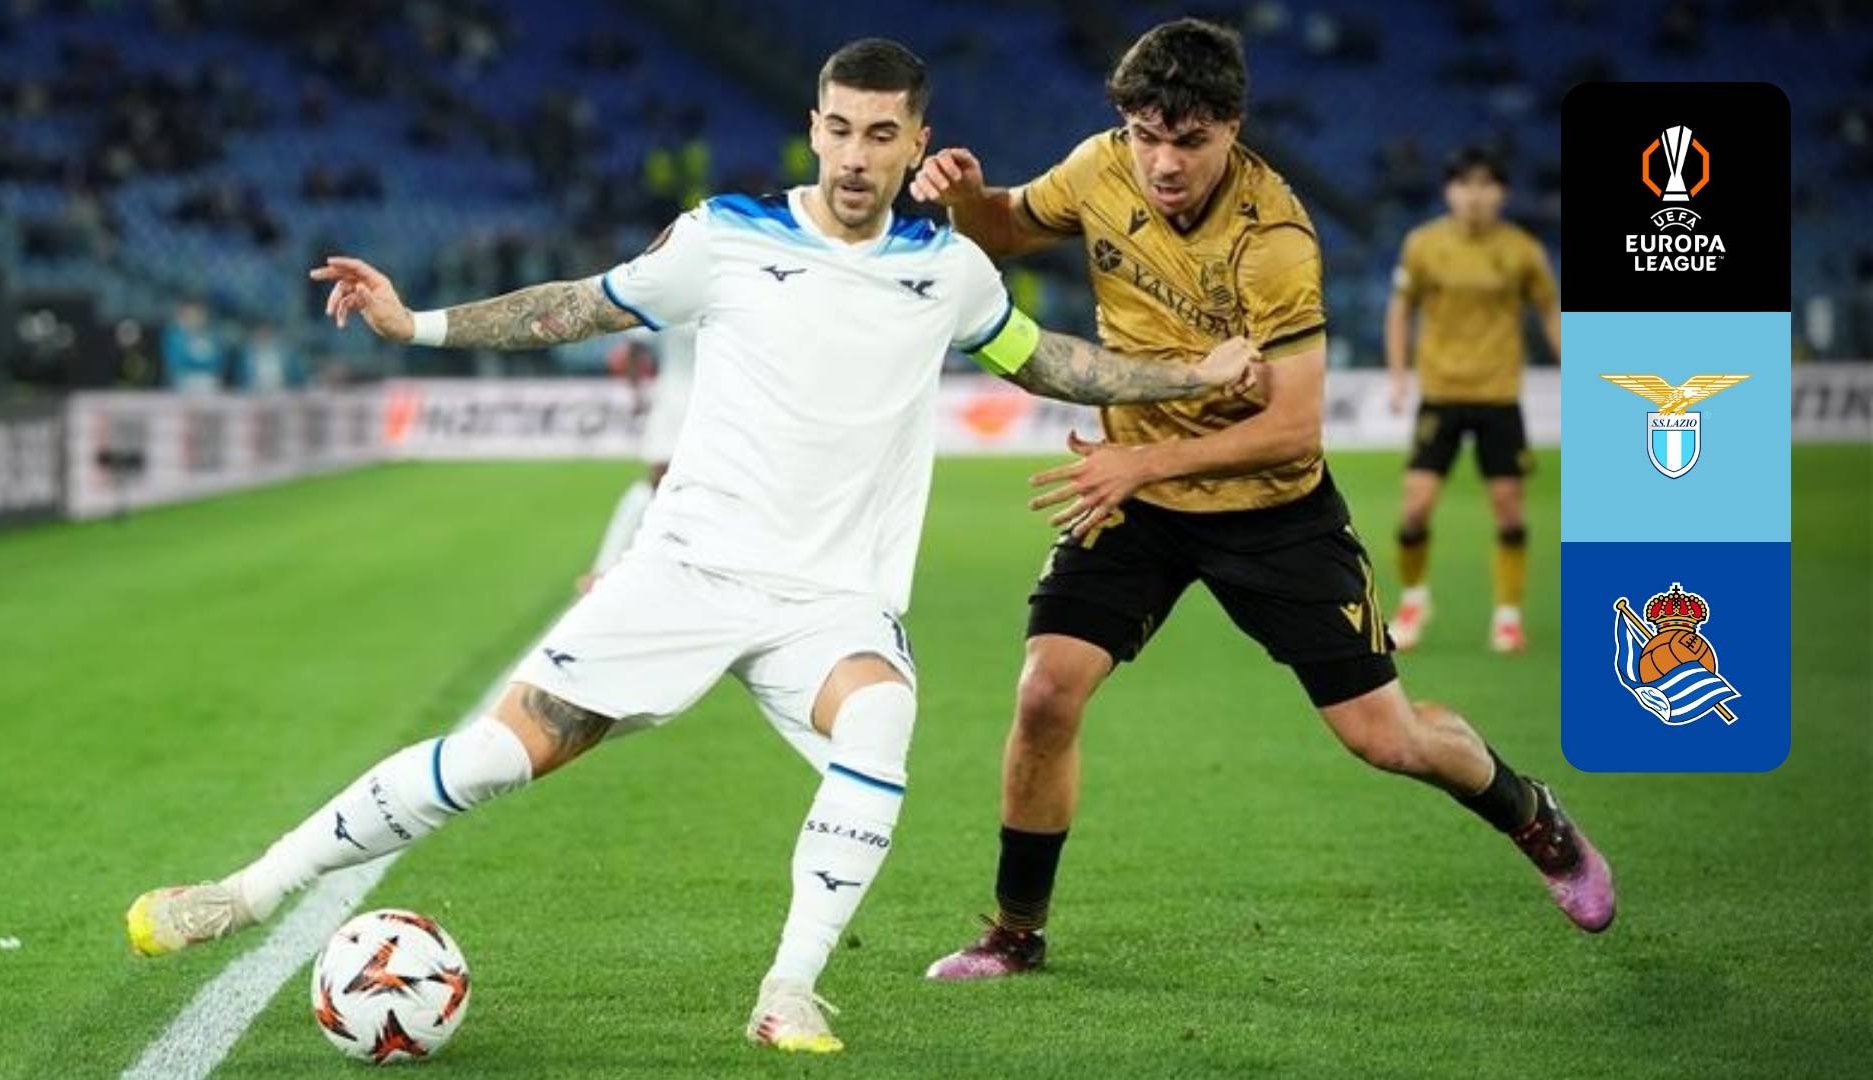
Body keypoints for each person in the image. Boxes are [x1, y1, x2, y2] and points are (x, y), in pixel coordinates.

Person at [124, 38, 1260, 1054]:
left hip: (829, 601)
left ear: (919, 142)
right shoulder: (727, 236)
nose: (855, 155)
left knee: (880, 717)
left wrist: (1184, 377)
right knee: (490, 762)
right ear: (813, 128)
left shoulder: (948, 270)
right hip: (687, 573)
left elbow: (1044, 359)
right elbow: (579, 305)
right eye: (838, 129)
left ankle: (789, 988)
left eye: (881, 135)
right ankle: (246, 891)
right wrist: (413, 323)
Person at [909, 19, 1612, 983]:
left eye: (1189, 141)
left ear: (1233, 127)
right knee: (1045, 691)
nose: (1163, 163)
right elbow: (1003, 230)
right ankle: (1015, 933)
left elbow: (1295, 429)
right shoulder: (1097, 166)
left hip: (1269, 510)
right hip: (1142, 497)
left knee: (1386, 739)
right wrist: (965, 198)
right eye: (1147, 136)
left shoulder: (1273, 238)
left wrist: (1138, 465)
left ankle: (1533, 816)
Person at [1384, 146, 1561, 653]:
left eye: (1486, 185)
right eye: (1465, 184)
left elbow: (1549, 310)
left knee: (1509, 509)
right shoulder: (1423, 244)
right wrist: (1398, 377)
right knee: (1415, 508)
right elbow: (1400, 310)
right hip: (1440, 393)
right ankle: (1414, 601)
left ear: (1502, 193)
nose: (1474, 196)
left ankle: (1507, 616)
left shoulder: (1522, 250)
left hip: (1498, 395)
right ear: (1449, 191)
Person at [578, 322, 696, 594]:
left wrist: (636, 393)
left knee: (662, 487)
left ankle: (609, 567)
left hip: (685, 402)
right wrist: (636, 392)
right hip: (684, 402)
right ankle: (610, 568)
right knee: (659, 487)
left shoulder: (673, 300)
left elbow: (634, 346)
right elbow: (634, 346)